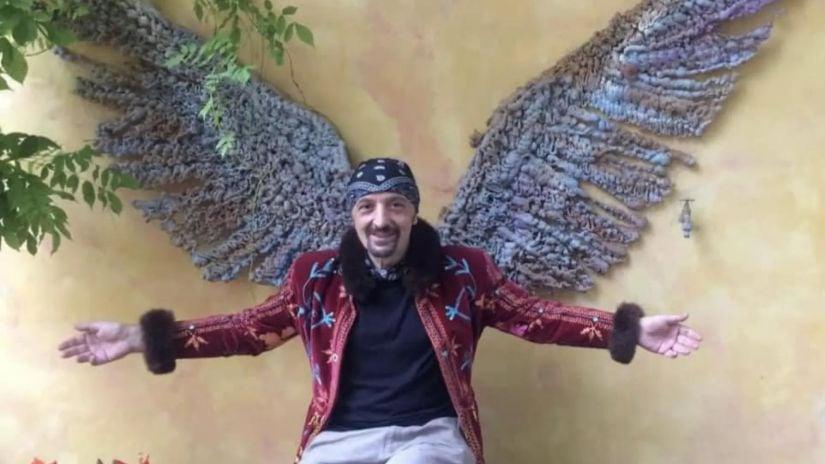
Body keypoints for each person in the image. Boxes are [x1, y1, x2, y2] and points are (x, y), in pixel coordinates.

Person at [58, 157, 702, 464]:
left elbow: (535, 316)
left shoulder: (463, 272)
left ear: (413, 212)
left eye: (395, 204)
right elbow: (249, 330)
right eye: (367, 207)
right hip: (340, 440)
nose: (381, 218)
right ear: (353, 218)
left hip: (431, 439)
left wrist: (628, 329)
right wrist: (143, 338)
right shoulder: (315, 278)